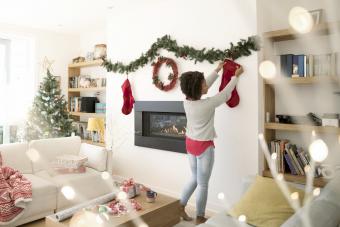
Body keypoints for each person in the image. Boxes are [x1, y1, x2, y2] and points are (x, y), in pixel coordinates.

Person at [179, 61, 244, 225]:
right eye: (203, 84)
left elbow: (203, 85)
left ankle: (179, 207)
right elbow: (225, 93)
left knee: (194, 178)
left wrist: (217, 70)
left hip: (190, 144)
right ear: (198, 88)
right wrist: (235, 77)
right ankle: (200, 217)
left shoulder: (187, 102)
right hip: (203, 147)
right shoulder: (208, 104)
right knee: (202, 185)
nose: (205, 85)